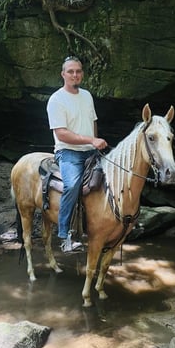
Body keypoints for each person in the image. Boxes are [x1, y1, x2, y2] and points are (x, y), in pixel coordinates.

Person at [46, 56, 108, 253]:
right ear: (63, 74)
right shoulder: (56, 100)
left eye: (78, 71)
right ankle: (65, 236)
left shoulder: (87, 95)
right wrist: (91, 140)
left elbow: (93, 122)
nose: (75, 75)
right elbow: (61, 133)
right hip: (68, 152)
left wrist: (95, 143)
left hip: (91, 151)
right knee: (72, 185)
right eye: (70, 71)